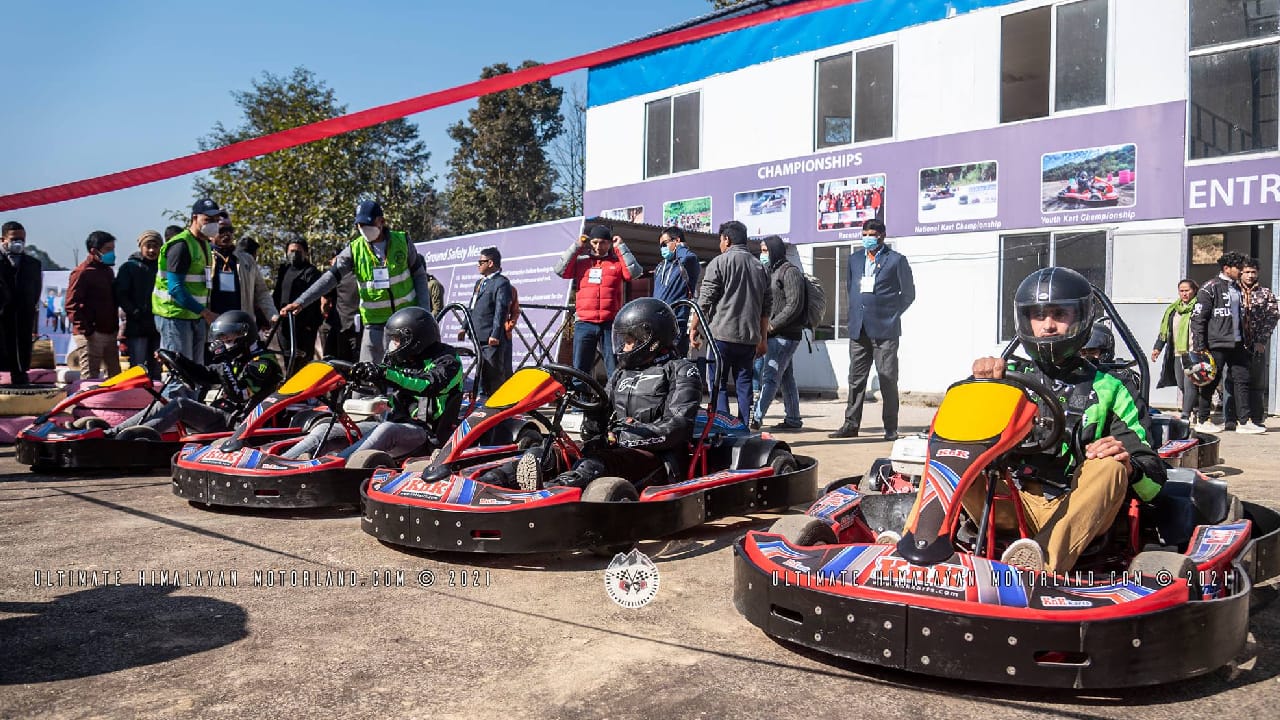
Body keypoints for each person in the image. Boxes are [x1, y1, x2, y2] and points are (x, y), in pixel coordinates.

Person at [956, 267, 1165, 575]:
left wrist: (1128, 465)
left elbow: (1154, 485)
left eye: (1059, 314)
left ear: (1081, 317)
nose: (1048, 326)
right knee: (953, 448)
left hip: (1077, 509)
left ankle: (1036, 567)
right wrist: (980, 390)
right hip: (1007, 501)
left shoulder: (1113, 386)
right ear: (1025, 320)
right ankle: (913, 548)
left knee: (1109, 464)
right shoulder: (1004, 379)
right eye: (1039, 315)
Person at [486, 298, 701, 492]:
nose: (624, 347)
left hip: (656, 457)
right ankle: (489, 482)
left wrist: (626, 437)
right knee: (544, 454)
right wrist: (593, 421)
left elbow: (678, 426)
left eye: (629, 341)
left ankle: (549, 494)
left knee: (592, 464)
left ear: (650, 339)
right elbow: (601, 413)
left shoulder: (681, 370)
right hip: (613, 448)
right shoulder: (621, 373)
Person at [282, 306, 463, 461]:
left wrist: (384, 374)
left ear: (414, 341)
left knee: (386, 430)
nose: (393, 345)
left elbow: (426, 385)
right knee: (325, 429)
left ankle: (336, 466)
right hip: (393, 424)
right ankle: (283, 462)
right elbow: (386, 376)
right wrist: (362, 373)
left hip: (427, 435)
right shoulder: (403, 358)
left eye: (396, 340)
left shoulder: (449, 361)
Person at [280, 200, 434, 363]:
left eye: (367, 224)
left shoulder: (402, 241)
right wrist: (301, 302)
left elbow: (419, 276)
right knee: (367, 374)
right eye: (359, 225)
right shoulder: (354, 250)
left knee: (410, 371)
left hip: (406, 322)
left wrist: (423, 314)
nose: (363, 228)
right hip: (374, 326)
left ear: (381, 221)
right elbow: (329, 278)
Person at [109, 311, 283, 438]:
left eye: (229, 338)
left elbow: (240, 395)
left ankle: (135, 439)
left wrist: (224, 362)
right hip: (224, 416)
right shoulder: (238, 359)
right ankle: (112, 433)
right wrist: (178, 359)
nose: (224, 343)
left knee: (181, 404)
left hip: (240, 423)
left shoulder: (263, 363)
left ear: (244, 334)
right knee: (165, 401)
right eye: (223, 338)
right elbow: (204, 374)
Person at [830, 219, 915, 440]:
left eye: (872, 234)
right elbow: (851, 289)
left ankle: (890, 428)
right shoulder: (855, 259)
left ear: (882, 236)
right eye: (865, 234)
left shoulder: (896, 260)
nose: (867, 238)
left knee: (887, 379)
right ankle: (850, 425)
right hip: (859, 330)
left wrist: (891, 314)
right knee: (856, 379)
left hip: (885, 331)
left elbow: (908, 294)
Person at [688, 220, 771, 424]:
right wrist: (763, 339)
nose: (720, 244)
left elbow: (705, 300)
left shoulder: (719, 263)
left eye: (720, 240)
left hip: (721, 337)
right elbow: (765, 309)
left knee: (718, 384)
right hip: (749, 339)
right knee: (744, 384)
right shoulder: (760, 268)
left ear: (727, 239)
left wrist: (694, 327)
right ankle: (743, 427)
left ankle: (724, 427)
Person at [555, 224, 642, 379]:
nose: (598, 246)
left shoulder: (616, 263)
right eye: (594, 242)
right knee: (580, 368)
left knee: (614, 366)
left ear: (609, 243)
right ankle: (580, 396)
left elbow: (634, 273)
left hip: (610, 323)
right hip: (584, 323)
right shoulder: (581, 263)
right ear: (590, 243)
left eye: (603, 242)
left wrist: (621, 247)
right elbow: (560, 270)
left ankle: (615, 394)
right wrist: (577, 246)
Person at [1189, 252, 1263, 434]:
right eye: (1238, 268)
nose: (1241, 271)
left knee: (1242, 379)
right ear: (1226, 268)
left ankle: (1244, 421)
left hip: (1238, 343)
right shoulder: (1209, 288)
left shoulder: (1238, 288)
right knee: (1210, 381)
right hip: (1216, 343)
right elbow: (1198, 318)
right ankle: (1203, 419)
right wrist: (1200, 346)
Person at [153, 198, 222, 364]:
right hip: (175, 316)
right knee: (180, 371)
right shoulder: (181, 245)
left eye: (215, 220)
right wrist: (206, 313)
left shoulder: (204, 244)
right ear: (195, 218)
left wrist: (202, 313)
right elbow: (175, 288)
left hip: (195, 316)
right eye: (208, 220)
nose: (213, 224)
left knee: (195, 371)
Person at [751, 235, 805, 431]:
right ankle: (793, 419)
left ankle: (756, 419)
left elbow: (794, 305)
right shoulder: (770, 271)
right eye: (761, 251)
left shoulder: (790, 272)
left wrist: (772, 325)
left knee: (770, 377)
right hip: (774, 335)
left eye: (765, 251)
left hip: (784, 335)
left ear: (775, 251)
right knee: (786, 378)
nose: (762, 255)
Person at [1228, 258, 1279, 430]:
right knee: (1232, 381)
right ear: (1240, 273)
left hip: (1255, 344)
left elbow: (1272, 316)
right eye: (1247, 272)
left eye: (1253, 272)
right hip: (1234, 344)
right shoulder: (1231, 292)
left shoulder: (1265, 293)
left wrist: (1261, 340)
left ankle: (1256, 418)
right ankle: (1231, 418)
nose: (1250, 275)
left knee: (1257, 382)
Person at [65, 231, 122, 379]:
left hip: (109, 332)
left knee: (115, 378)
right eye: (107, 249)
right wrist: (87, 330)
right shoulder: (82, 272)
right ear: (94, 251)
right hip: (90, 335)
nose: (112, 253)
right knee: (90, 379)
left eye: (113, 249)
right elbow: (71, 304)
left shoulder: (108, 271)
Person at [463, 247, 513, 396]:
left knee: (493, 373)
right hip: (478, 335)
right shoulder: (480, 282)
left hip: (491, 337)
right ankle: (481, 399)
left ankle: (495, 402)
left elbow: (501, 310)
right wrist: (464, 326)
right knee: (481, 369)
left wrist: (495, 334)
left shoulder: (501, 283)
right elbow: (472, 306)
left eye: (481, 262)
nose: (478, 265)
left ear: (490, 263)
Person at [115, 231, 163, 379]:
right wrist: (134, 311)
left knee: (157, 368)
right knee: (138, 368)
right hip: (137, 326)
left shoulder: (163, 267)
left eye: (156, 246)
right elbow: (121, 294)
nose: (152, 250)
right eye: (148, 246)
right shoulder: (129, 267)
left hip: (158, 326)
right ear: (141, 247)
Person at [209, 218, 276, 324]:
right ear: (210, 234)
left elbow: (261, 292)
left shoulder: (247, 259)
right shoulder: (204, 257)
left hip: (241, 323)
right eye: (222, 230)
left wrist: (272, 315)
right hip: (212, 322)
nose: (227, 234)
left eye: (230, 230)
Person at [0, 221, 43, 385]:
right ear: (3, 239)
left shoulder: (32, 264)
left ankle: (20, 379)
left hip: (22, 317)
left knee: (20, 355)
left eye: (21, 239)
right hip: (2, 315)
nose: (18, 243)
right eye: (14, 239)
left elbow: (36, 291)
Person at [1151, 279, 1199, 422]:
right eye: (1181, 291)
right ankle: (1196, 407)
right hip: (1178, 352)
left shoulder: (1198, 308)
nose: (1184, 294)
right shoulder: (1173, 310)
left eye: (1187, 290)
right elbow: (1165, 332)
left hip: (1193, 352)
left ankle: (1186, 414)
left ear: (1194, 291)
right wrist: (1157, 348)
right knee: (1181, 384)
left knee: (1190, 383)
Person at [651, 226, 702, 358]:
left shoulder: (686, 263)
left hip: (677, 323)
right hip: (658, 323)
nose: (662, 248)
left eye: (665, 244)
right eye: (660, 246)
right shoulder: (660, 267)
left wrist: (681, 247)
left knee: (674, 362)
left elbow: (689, 258)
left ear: (677, 241)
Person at [272, 239, 323, 364]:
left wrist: (310, 325)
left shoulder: (312, 272)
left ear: (305, 253)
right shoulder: (284, 270)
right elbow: (277, 295)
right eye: (292, 251)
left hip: (304, 328)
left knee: (302, 363)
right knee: (288, 361)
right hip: (284, 326)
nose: (294, 254)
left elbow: (315, 300)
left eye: (298, 251)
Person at [318, 250, 360, 363]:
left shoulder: (337, 276)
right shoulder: (357, 274)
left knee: (336, 360)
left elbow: (324, 302)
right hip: (354, 325)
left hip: (341, 325)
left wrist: (325, 313)